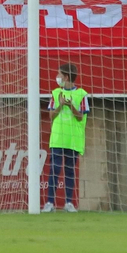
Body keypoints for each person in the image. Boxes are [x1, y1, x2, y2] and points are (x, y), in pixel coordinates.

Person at [44, 62, 89, 213]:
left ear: (67, 77)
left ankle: (69, 203)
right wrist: (60, 106)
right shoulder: (56, 93)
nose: (57, 77)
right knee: (54, 169)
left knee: (70, 170)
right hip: (57, 138)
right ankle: (50, 203)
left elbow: (80, 116)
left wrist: (70, 106)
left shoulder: (81, 95)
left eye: (59, 75)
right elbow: (51, 116)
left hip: (73, 139)